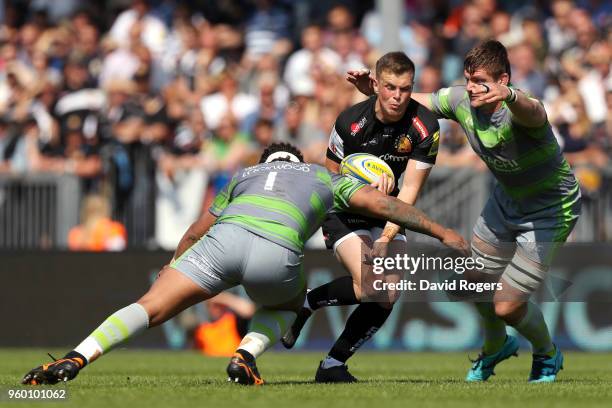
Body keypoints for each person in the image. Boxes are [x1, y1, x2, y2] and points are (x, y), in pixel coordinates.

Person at [22, 142, 467, 386]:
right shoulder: (323, 176)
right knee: (290, 307)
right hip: (275, 250)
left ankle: (76, 357)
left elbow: (196, 229)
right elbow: (385, 207)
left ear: (265, 163)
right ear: (295, 159)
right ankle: (245, 355)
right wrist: (441, 231)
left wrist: (173, 264)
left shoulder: (242, 177)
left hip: (221, 242)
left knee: (150, 307)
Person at [348, 40, 582, 383]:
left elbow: (536, 111)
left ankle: (547, 353)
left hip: (551, 210)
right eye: (469, 78)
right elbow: (418, 102)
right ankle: (496, 346)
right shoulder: (462, 100)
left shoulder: (519, 109)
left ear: (504, 79)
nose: (472, 87)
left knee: (507, 306)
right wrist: (376, 91)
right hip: (507, 202)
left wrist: (510, 96)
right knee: (473, 282)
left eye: (481, 81)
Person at [281, 51, 440, 383]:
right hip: (345, 210)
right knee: (371, 285)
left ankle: (332, 365)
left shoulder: (425, 126)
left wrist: (385, 236)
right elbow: (330, 177)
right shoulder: (350, 121)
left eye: (406, 88)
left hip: (388, 211)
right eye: (390, 87)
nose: (398, 96)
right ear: (376, 84)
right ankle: (310, 301)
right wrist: (361, 188)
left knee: (388, 294)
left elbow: (409, 191)